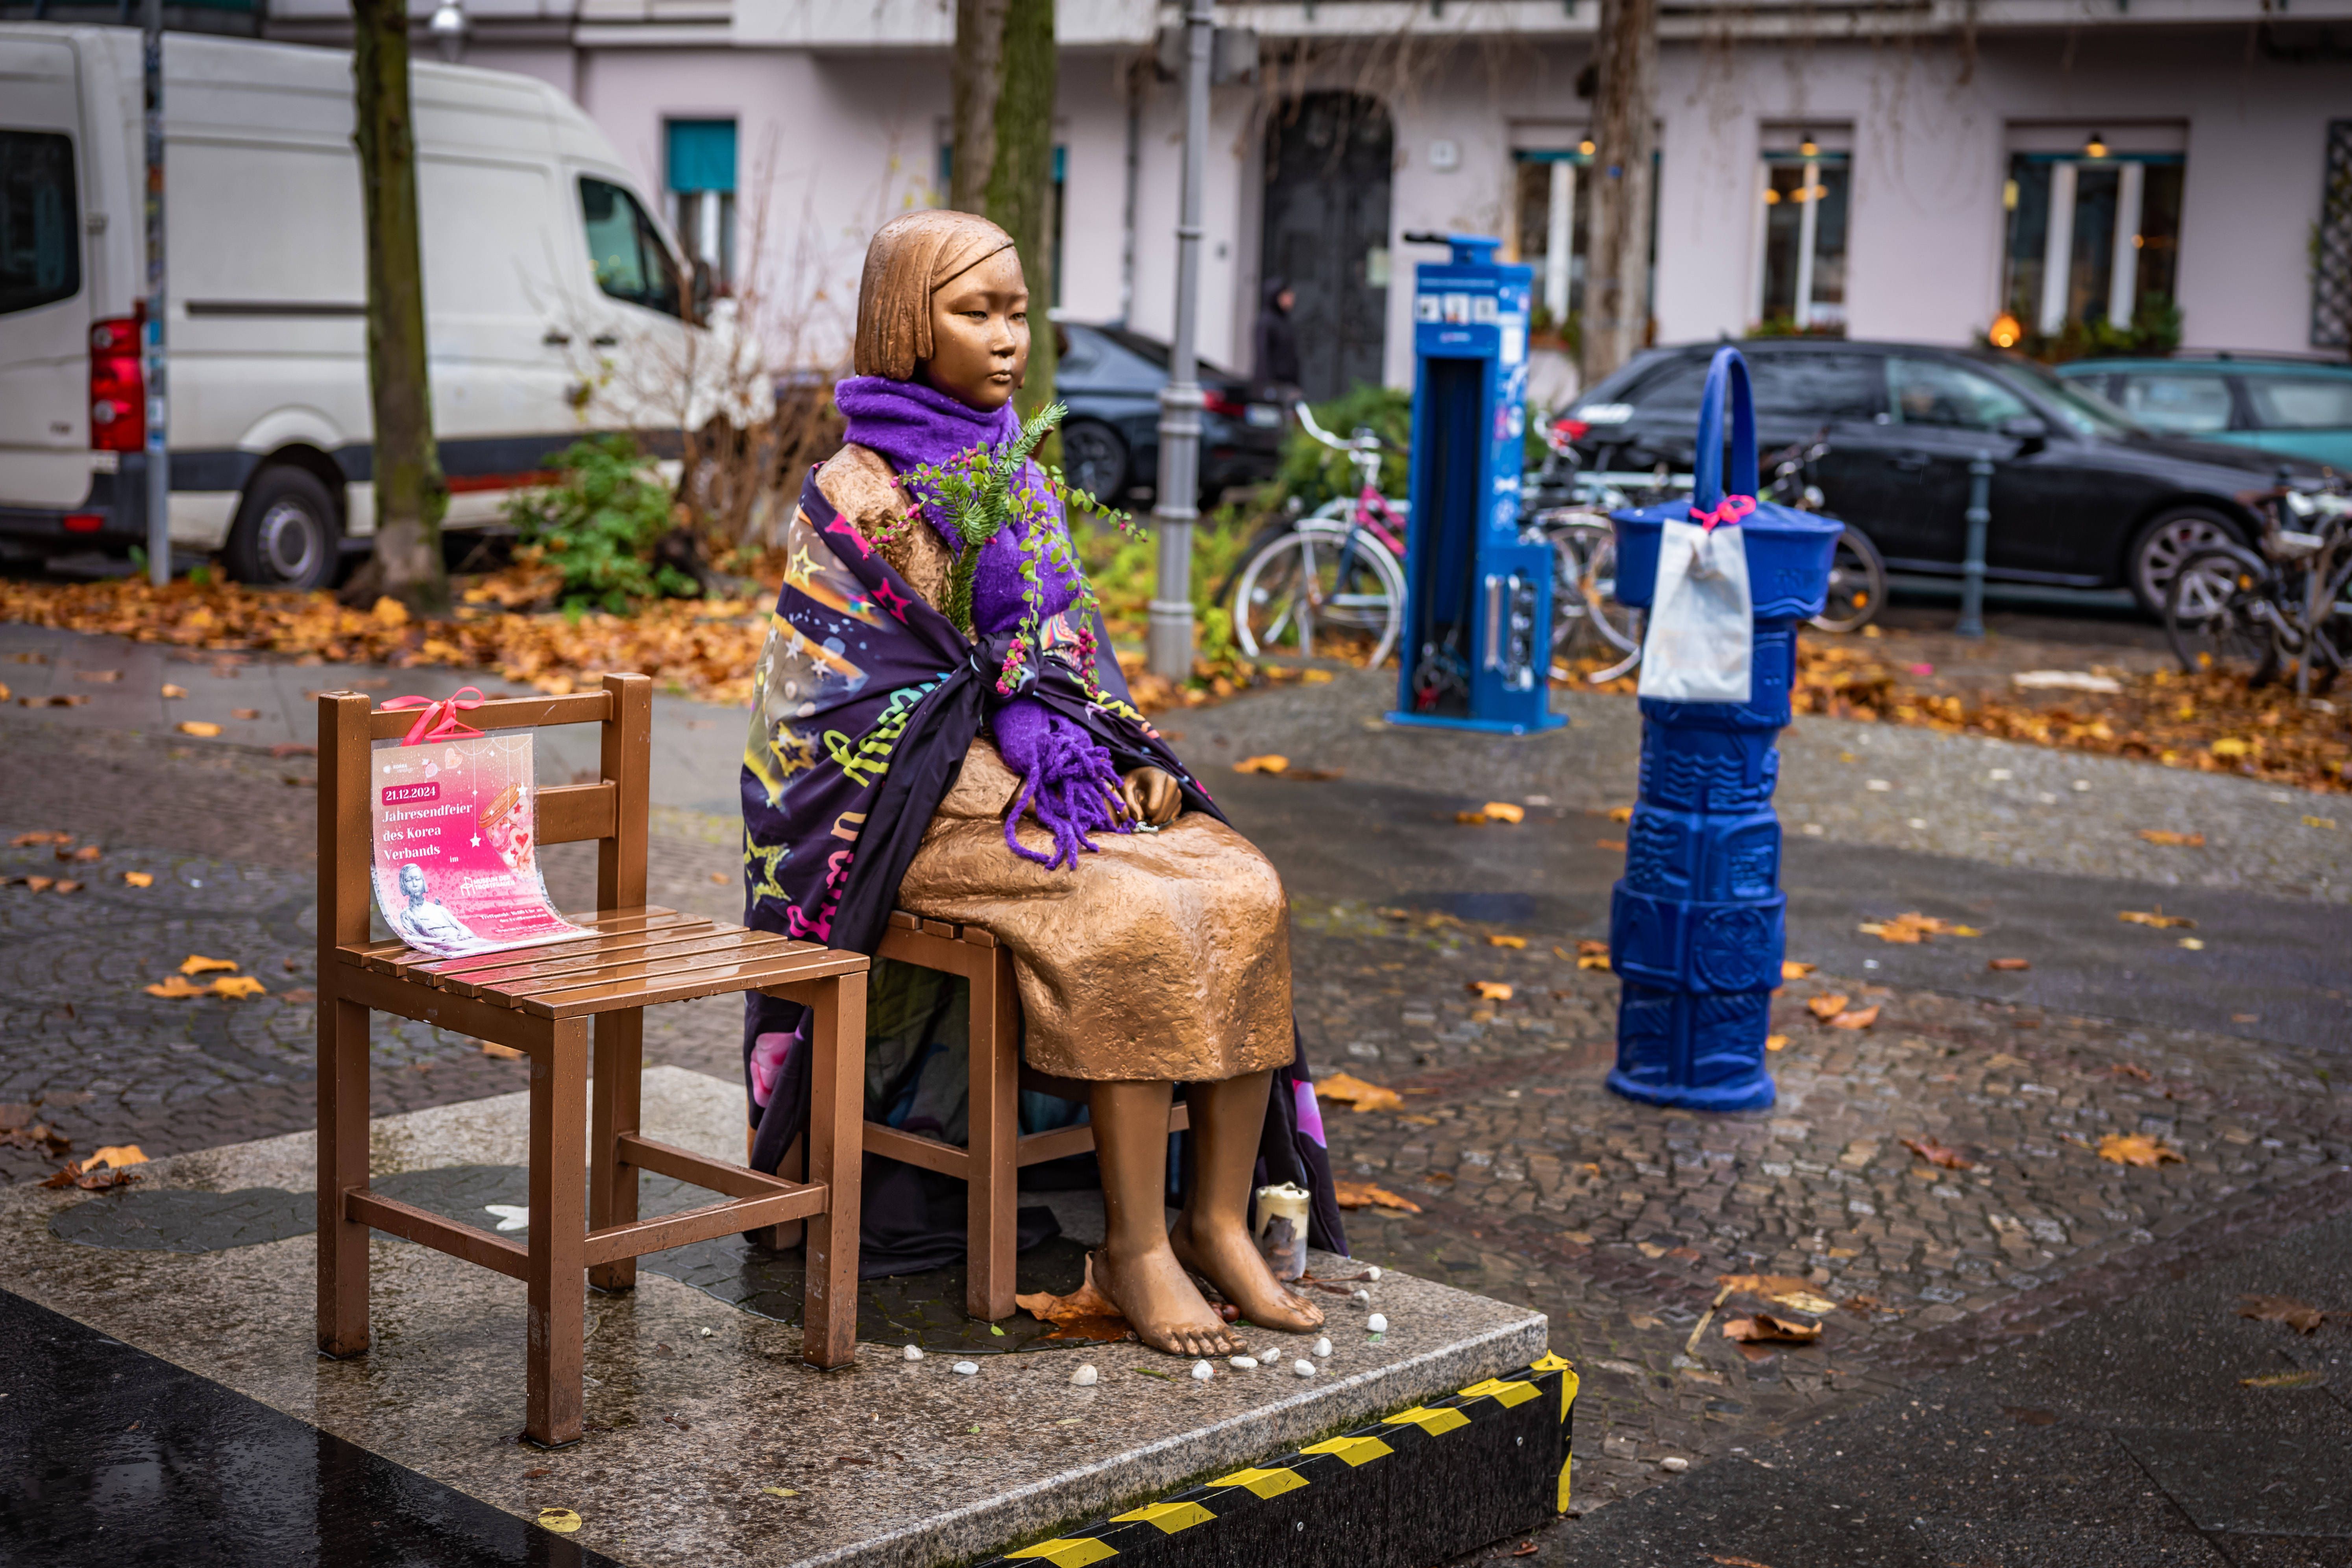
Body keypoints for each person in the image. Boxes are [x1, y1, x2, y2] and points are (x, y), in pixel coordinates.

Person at [738, 211, 1339, 1357]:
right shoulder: (853, 491)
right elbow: (831, 713)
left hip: (1037, 781)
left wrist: (1111, 749)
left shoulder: (1017, 473)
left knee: (1242, 878)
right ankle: (1133, 1243)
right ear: (908, 326)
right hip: (911, 812)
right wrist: (994, 727)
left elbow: (1067, 654)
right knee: (1121, 913)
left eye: (1017, 311)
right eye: (977, 312)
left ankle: (1212, 1219)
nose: (1009, 339)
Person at [385, 861, 479, 951]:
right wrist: (440, 941)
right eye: (409, 880)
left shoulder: (439, 909)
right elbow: (415, 938)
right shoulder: (406, 915)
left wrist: (460, 938)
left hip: (463, 942)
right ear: (403, 884)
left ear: (423, 881)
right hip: (443, 948)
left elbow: (463, 928)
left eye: (418, 879)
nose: (415, 884)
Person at [1252, 276, 1302, 399]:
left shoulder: (1285, 322)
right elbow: (1263, 355)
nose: (1291, 298)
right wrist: (1268, 387)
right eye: (1287, 294)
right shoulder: (1266, 321)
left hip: (1288, 385)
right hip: (1272, 387)